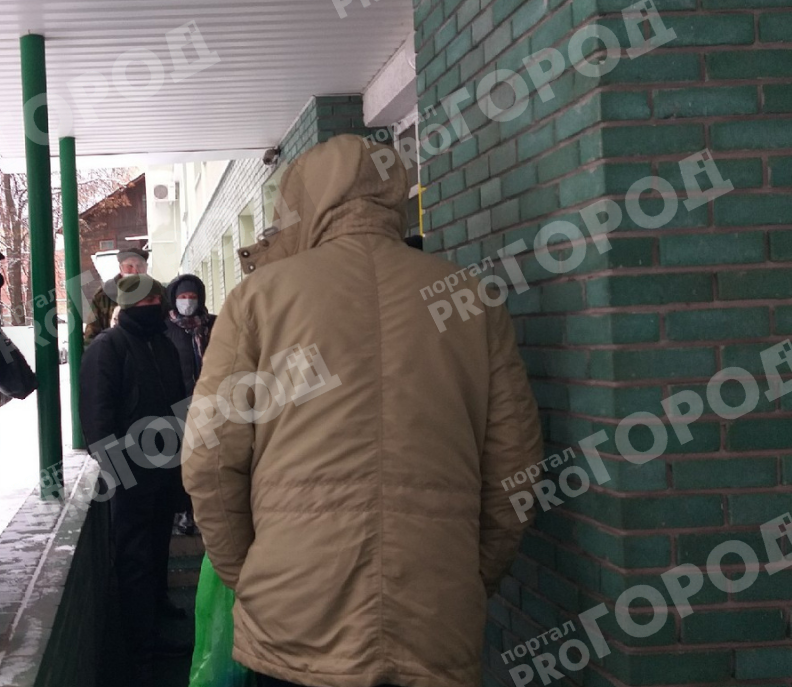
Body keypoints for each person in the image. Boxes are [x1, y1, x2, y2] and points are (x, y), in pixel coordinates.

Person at [182, 135, 543, 687]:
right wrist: (469, 576)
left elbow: (209, 459)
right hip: (434, 608)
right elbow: (516, 465)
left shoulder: (260, 298)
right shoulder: (469, 298)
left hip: (293, 615)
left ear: (300, 203)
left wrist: (248, 574)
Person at [79, 274, 192, 676]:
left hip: (163, 469)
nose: (154, 308)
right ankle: (140, 645)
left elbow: (176, 403)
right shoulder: (107, 348)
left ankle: (156, 612)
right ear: (129, 306)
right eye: (145, 302)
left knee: (157, 548)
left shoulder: (162, 343)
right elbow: (97, 417)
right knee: (135, 558)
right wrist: (121, 472)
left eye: (156, 301)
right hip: (131, 476)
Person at [163, 274, 216, 536]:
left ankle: (207, 510)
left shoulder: (213, 325)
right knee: (181, 460)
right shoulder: (165, 328)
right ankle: (184, 510)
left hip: (212, 404)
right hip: (178, 405)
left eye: (192, 297)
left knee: (209, 458)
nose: (187, 302)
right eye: (182, 297)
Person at [83, 246, 149, 346]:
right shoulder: (105, 295)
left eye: (140, 266)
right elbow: (92, 333)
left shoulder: (157, 293)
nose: (135, 271)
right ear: (121, 268)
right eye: (129, 266)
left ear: (146, 267)